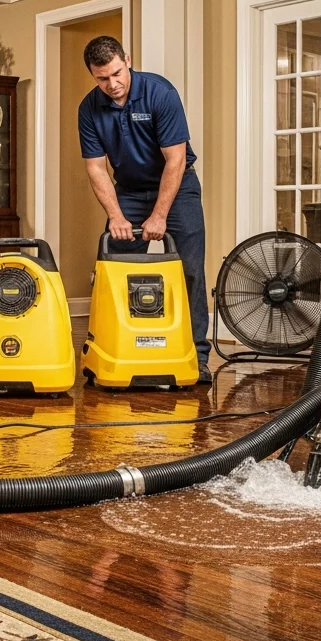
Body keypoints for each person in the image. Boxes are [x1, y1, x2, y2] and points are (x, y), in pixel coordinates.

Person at [77, 36, 211, 383]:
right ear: (93, 75)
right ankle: (109, 349)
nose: (113, 84)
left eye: (117, 73)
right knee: (113, 266)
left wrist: (160, 215)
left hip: (177, 187)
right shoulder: (89, 108)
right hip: (130, 192)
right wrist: (117, 216)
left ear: (128, 60)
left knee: (190, 271)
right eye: (102, 78)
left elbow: (176, 159)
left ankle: (196, 358)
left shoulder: (160, 94)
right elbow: (96, 168)